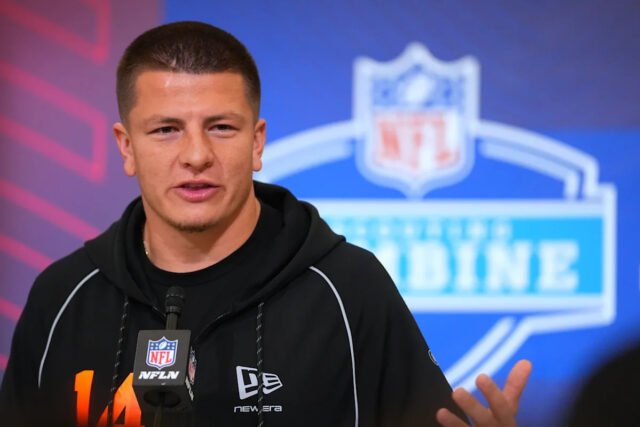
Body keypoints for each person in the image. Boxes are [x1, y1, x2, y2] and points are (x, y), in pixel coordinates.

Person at [0, 21, 531, 426]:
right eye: (166, 130)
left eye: (221, 127)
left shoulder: (350, 289)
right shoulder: (62, 297)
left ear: (257, 143)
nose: (196, 155)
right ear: (126, 147)